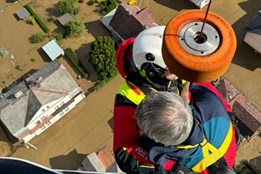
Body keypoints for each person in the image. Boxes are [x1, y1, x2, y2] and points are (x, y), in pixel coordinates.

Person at [113, 26, 187, 174]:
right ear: (153, 71)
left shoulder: (176, 72)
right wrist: (167, 167)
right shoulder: (129, 98)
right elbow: (124, 150)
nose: (179, 70)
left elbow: (199, 88)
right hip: (162, 151)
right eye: (172, 68)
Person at [135, 82, 237, 174]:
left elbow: (148, 146)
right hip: (226, 156)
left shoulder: (161, 151)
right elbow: (197, 84)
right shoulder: (212, 104)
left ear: (164, 141)